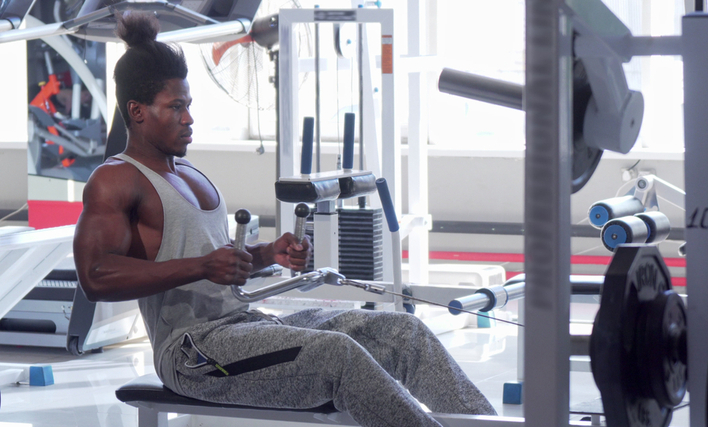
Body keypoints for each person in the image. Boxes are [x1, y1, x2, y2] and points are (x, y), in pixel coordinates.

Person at [73, 12, 497, 427]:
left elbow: (219, 264)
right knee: (339, 356)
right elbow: (95, 277)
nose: (189, 118)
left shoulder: (186, 172)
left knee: (405, 333)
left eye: (189, 105)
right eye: (176, 107)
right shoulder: (115, 179)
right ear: (138, 110)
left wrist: (264, 254)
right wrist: (202, 266)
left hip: (245, 324)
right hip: (192, 352)